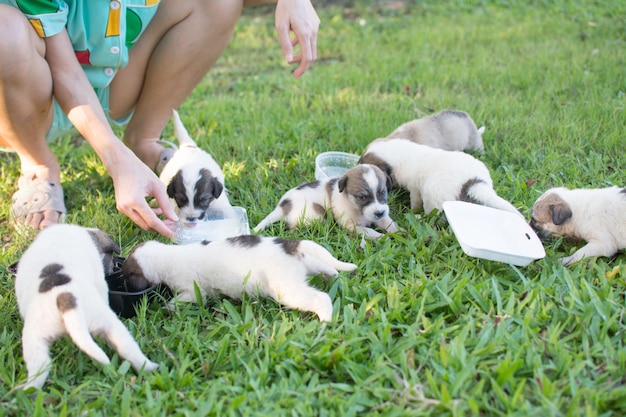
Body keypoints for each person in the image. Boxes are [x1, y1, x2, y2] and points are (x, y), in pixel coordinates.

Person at [0, 0, 320, 238]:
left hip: (110, 72)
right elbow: (64, 74)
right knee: (5, 31)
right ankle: (38, 163)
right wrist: (116, 161)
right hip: (26, 85)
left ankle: (144, 142)